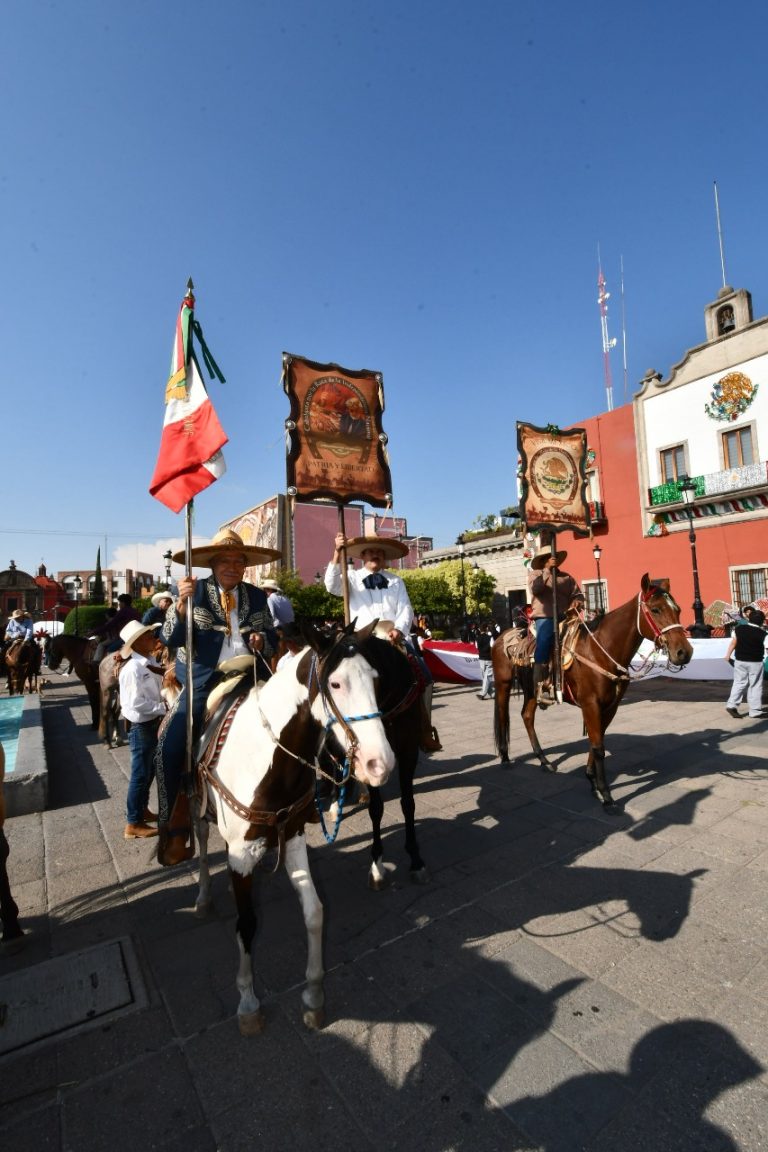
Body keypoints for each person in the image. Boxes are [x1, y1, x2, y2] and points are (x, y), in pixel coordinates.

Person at [156, 527, 280, 866]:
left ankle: (303, 798)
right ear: (212, 564)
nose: (232, 566)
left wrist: (261, 641)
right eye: (225, 560)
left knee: (297, 715)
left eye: (239, 561)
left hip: (251, 673)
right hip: (203, 679)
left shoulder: (256, 596)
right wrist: (181, 605)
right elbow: (170, 638)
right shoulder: (190, 591)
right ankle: (171, 822)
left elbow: (271, 636)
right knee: (169, 738)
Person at [324, 532, 442, 751]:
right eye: (370, 551)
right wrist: (336, 552)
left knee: (424, 675)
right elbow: (331, 586)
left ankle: (423, 730)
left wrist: (399, 629)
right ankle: (337, 733)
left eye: (379, 552)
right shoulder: (350, 578)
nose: (375, 555)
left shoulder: (396, 581)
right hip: (362, 642)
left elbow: (406, 608)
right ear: (362, 555)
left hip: (392, 639)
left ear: (385, 557)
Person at [117, 620, 167, 840]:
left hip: (152, 722)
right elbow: (135, 703)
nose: (153, 638)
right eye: (148, 636)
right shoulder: (132, 669)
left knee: (148, 772)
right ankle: (133, 823)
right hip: (142, 725)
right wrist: (163, 707)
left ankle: (141, 810)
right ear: (136, 643)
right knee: (140, 774)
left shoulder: (149, 662)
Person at [527, 544, 584, 707]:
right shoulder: (535, 574)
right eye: (550, 558)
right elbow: (536, 590)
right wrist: (546, 572)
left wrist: (577, 602)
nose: (554, 560)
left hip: (566, 616)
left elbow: (578, 594)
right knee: (544, 641)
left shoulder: (566, 577)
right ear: (544, 561)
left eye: (555, 558)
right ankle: (540, 686)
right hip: (544, 617)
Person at [724, 607, 766, 719]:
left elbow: (734, 643)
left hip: (740, 661)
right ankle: (755, 710)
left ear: (749, 618)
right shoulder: (763, 633)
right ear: (762, 621)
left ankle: (732, 704)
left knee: (739, 683)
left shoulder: (739, 629)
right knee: (755, 685)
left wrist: (728, 655)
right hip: (755, 662)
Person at [91, 594, 141, 663]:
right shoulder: (136, 611)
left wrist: (93, 632)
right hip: (138, 637)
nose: (119, 605)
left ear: (123, 603)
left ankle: (110, 668)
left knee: (110, 649)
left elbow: (110, 625)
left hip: (126, 639)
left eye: (119, 603)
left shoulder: (123, 611)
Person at [476, 621, 495, 700]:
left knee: (485, 677)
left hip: (481, 659)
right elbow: (493, 647)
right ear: (487, 628)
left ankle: (492, 693)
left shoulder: (477, 638)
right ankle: (483, 693)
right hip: (489, 659)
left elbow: (477, 647)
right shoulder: (490, 638)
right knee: (488, 677)